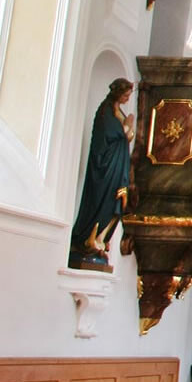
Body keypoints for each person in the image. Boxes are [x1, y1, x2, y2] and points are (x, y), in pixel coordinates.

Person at [67, 79, 135, 270]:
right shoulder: (105, 112)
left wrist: (127, 127)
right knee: (104, 201)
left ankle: (100, 238)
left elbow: (125, 136)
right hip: (106, 168)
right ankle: (88, 240)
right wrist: (128, 124)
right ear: (117, 93)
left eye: (129, 96)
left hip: (118, 166)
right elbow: (119, 135)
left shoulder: (115, 111)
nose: (127, 98)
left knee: (117, 204)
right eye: (125, 95)